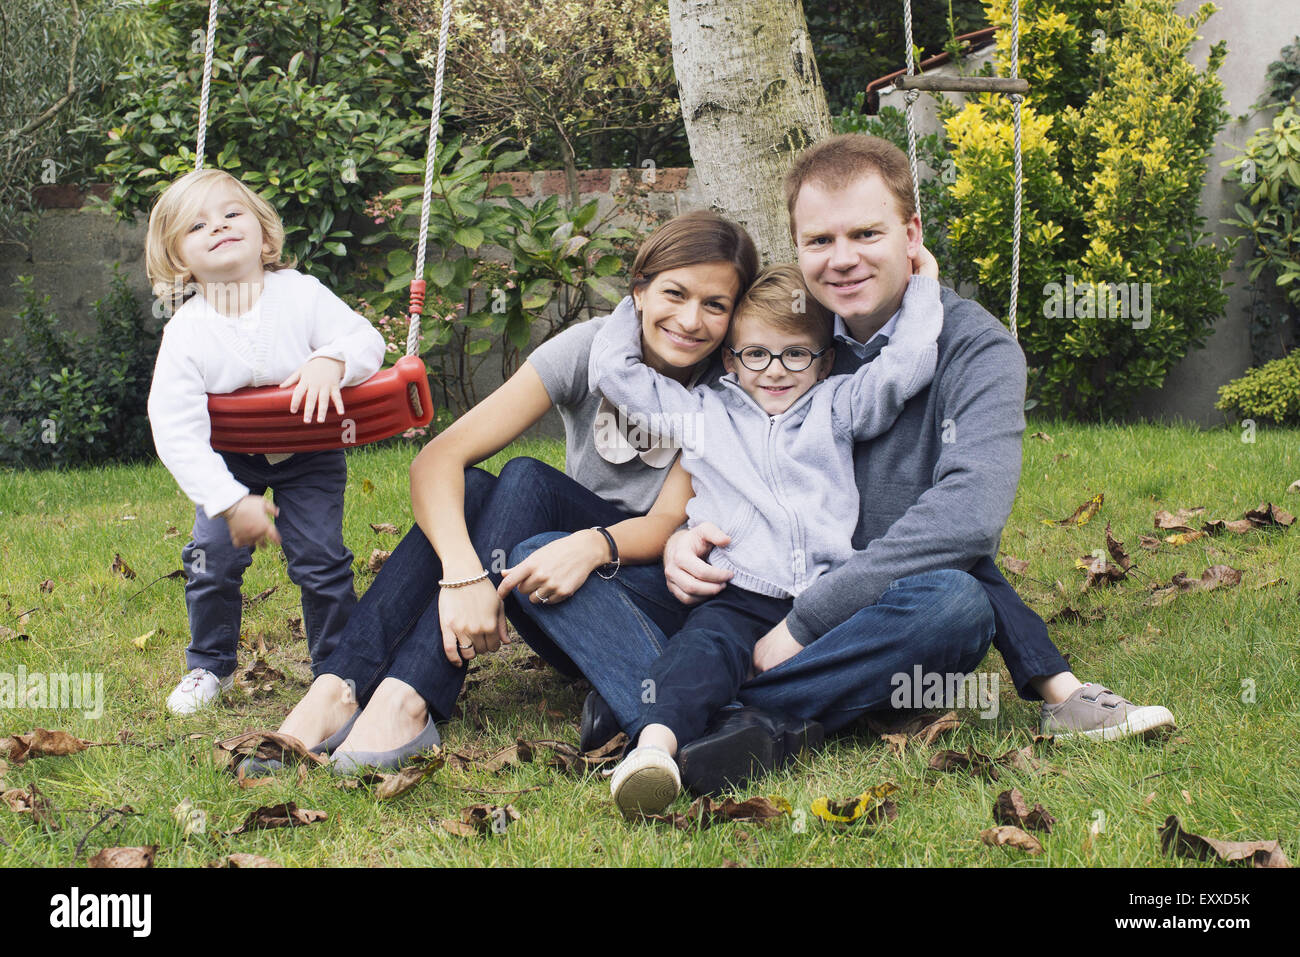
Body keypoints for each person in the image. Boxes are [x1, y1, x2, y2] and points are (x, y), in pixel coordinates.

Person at [511, 134, 1175, 796]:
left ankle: (674, 708)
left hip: (848, 604)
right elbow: (658, 397)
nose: (843, 259)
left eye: (866, 233)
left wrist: (805, 623)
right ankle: (736, 719)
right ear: (796, 248)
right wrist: (683, 533)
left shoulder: (953, 358)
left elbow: (963, 521)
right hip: (728, 589)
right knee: (543, 561)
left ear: (911, 234)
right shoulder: (778, 330)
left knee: (956, 601)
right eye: (820, 241)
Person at [243, 211, 761, 775]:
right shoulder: (591, 350)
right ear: (639, 290)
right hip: (554, 584)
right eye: (674, 293)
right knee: (469, 487)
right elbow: (438, 459)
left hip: (648, 594)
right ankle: (336, 690)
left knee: (525, 479)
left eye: (716, 305)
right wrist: (464, 573)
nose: (690, 320)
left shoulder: (726, 385)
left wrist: (592, 545)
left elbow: (666, 523)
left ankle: (407, 698)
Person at [592, 261, 945, 817]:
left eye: (796, 353)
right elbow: (616, 373)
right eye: (755, 354)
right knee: (702, 652)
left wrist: (922, 286)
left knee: (915, 620)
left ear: (825, 359)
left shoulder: (839, 405)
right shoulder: (703, 415)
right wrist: (634, 301)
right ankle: (654, 752)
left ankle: (696, 713)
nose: (775, 371)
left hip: (826, 598)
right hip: (737, 590)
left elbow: (907, 364)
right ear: (730, 359)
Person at [145, 169, 385, 715]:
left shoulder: (299, 294)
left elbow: (367, 340)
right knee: (211, 560)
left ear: (263, 231)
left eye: (233, 213)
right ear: (178, 258)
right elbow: (174, 426)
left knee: (321, 560)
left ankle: (336, 668)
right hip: (232, 464)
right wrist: (228, 500)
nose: (220, 227)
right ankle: (209, 666)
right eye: (198, 225)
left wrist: (332, 359)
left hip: (309, 455)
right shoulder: (186, 330)